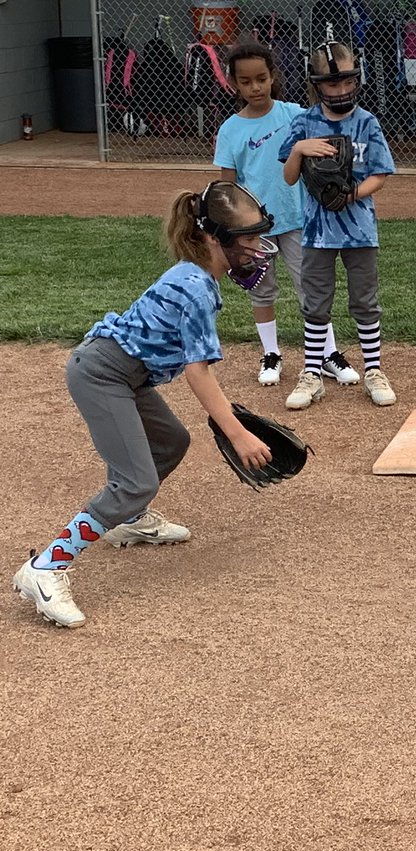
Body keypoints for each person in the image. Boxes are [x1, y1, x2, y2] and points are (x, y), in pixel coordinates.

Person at [12, 182, 279, 629]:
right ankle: (45, 568)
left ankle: (129, 521)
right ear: (215, 237)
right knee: (135, 480)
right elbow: (199, 372)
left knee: (171, 442)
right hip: (103, 374)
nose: (257, 248)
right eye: (248, 238)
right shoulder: (195, 285)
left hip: (126, 374)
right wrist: (238, 432)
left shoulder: (197, 275)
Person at [213, 40, 359, 389]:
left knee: (311, 289)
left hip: (297, 219)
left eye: (261, 78)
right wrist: (233, 230)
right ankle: (271, 354)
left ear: (273, 76)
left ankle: (327, 354)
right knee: (262, 292)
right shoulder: (230, 130)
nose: (255, 87)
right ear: (234, 83)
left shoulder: (292, 114)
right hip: (255, 229)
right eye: (246, 81)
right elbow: (228, 188)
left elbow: (325, 136)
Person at [278, 41, 397, 410]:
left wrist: (351, 195)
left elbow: (380, 175)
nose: (341, 90)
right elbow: (288, 177)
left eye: (347, 82)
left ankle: (374, 370)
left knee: (364, 300)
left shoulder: (367, 122)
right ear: (317, 85)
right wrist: (300, 149)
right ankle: (312, 375)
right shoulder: (304, 123)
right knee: (316, 302)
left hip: (360, 228)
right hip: (317, 231)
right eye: (332, 84)